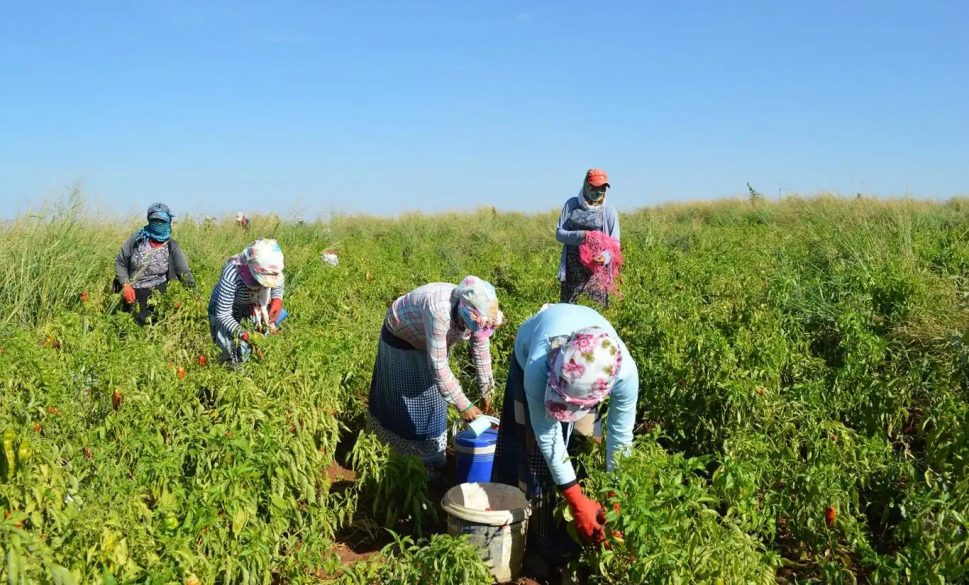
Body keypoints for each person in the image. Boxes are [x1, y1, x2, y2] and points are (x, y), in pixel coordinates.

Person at [492, 303, 638, 574]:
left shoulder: (623, 374)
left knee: (583, 445)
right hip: (532, 355)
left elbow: (620, 438)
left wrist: (617, 498)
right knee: (532, 455)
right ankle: (537, 541)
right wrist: (574, 498)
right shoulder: (538, 365)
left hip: (590, 370)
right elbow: (546, 435)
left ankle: (576, 536)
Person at [367, 276, 504, 468]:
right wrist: (464, 405)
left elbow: (481, 351)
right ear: (464, 313)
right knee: (403, 402)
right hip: (402, 338)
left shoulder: (480, 310)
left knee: (433, 402)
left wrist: (487, 391)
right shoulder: (440, 312)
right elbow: (439, 366)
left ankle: (429, 460)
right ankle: (398, 459)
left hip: (428, 341)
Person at [114, 203, 196, 325]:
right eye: (154, 220)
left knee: (152, 327)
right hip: (132, 292)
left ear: (168, 222)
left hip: (157, 293)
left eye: (161, 221)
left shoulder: (171, 245)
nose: (158, 224)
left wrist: (193, 294)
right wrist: (125, 285)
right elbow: (121, 262)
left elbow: (183, 271)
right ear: (149, 220)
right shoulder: (137, 239)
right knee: (128, 327)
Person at [208, 239, 285, 364]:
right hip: (228, 310)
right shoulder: (233, 274)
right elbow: (223, 313)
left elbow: (277, 282)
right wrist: (242, 333)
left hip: (250, 307)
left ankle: (251, 366)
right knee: (228, 347)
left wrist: (277, 299)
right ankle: (231, 373)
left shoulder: (271, 268)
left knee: (257, 345)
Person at [556, 168, 621, 306]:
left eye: (602, 189)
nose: (598, 192)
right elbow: (560, 233)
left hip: (596, 274)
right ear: (585, 184)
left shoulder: (608, 211)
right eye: (594, 188)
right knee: (571, 312)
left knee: (594, 313)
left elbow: (615, 245)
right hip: (572, 272)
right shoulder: (572, 204)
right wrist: (581, 236)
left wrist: (604, 257)